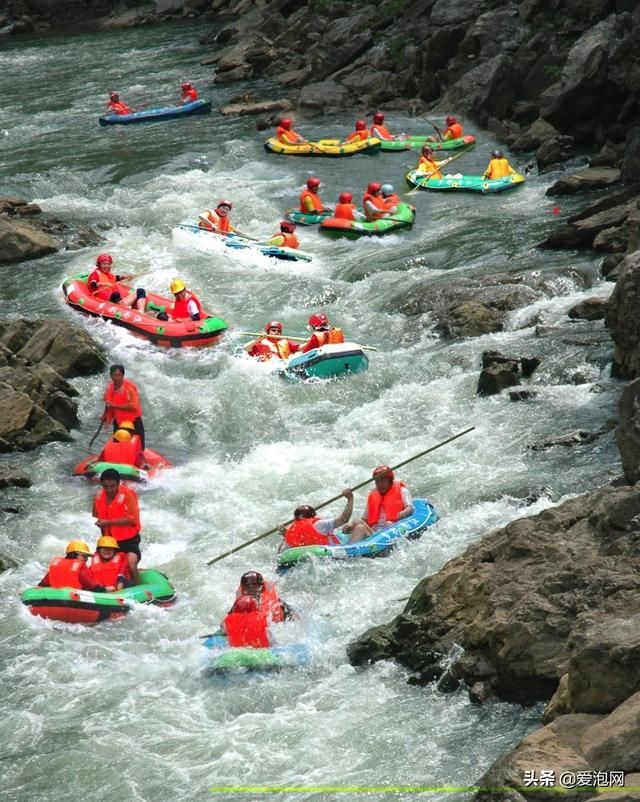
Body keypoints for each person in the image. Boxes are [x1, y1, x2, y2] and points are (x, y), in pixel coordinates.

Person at [92, 468, 142, 584]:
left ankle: (140, 587)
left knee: (131, 564)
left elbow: (132, 519)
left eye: (112, 486)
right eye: (106, 486)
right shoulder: (99, 495)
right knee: (97, 564)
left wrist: (107, 522)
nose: (109, 489)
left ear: (118, 483)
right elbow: (96, 514)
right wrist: (100, 523)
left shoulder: (128, 495)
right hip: (108, 540)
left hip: (129, 540)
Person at [342, 465, 414, 543]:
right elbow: (364, 519)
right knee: (357, 522)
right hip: (374, 534)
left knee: (388, 523)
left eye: (383, 480)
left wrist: (404, 512)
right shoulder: (373, 496)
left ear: (389, 481)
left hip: (392, 529)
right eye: (377, 481)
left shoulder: (402, 491)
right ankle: (350, 549)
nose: (380, 484)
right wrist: (351, 525)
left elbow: (409, 507)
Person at [280, 489, 354, 549]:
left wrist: (286, 536)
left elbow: (280, 553)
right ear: (313, 516)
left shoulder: (291, 531)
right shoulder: (319, 524)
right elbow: (344, 519)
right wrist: (350, 498)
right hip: (327, 554)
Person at [102, 364, 145, 449]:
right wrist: (105, 417)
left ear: (123, 375)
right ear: (110, 375)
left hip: (133, 422)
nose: (116, 378)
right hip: (119, 421)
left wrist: (115, 406)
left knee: (138, 447)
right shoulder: (109, 388)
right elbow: (108, 403)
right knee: (117, 445)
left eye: (119, 375)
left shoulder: (129, 388)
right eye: (114, 375)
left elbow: (134, 406)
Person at [38, 540, 106, 591]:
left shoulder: (57, 565)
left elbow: (42, 584)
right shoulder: (80, 568)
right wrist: (105, 590)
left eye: (87, 557)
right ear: (74, 554)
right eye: (84, 556)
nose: (86, 559)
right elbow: (92, 586)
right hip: (72, 600)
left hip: (55, 598)